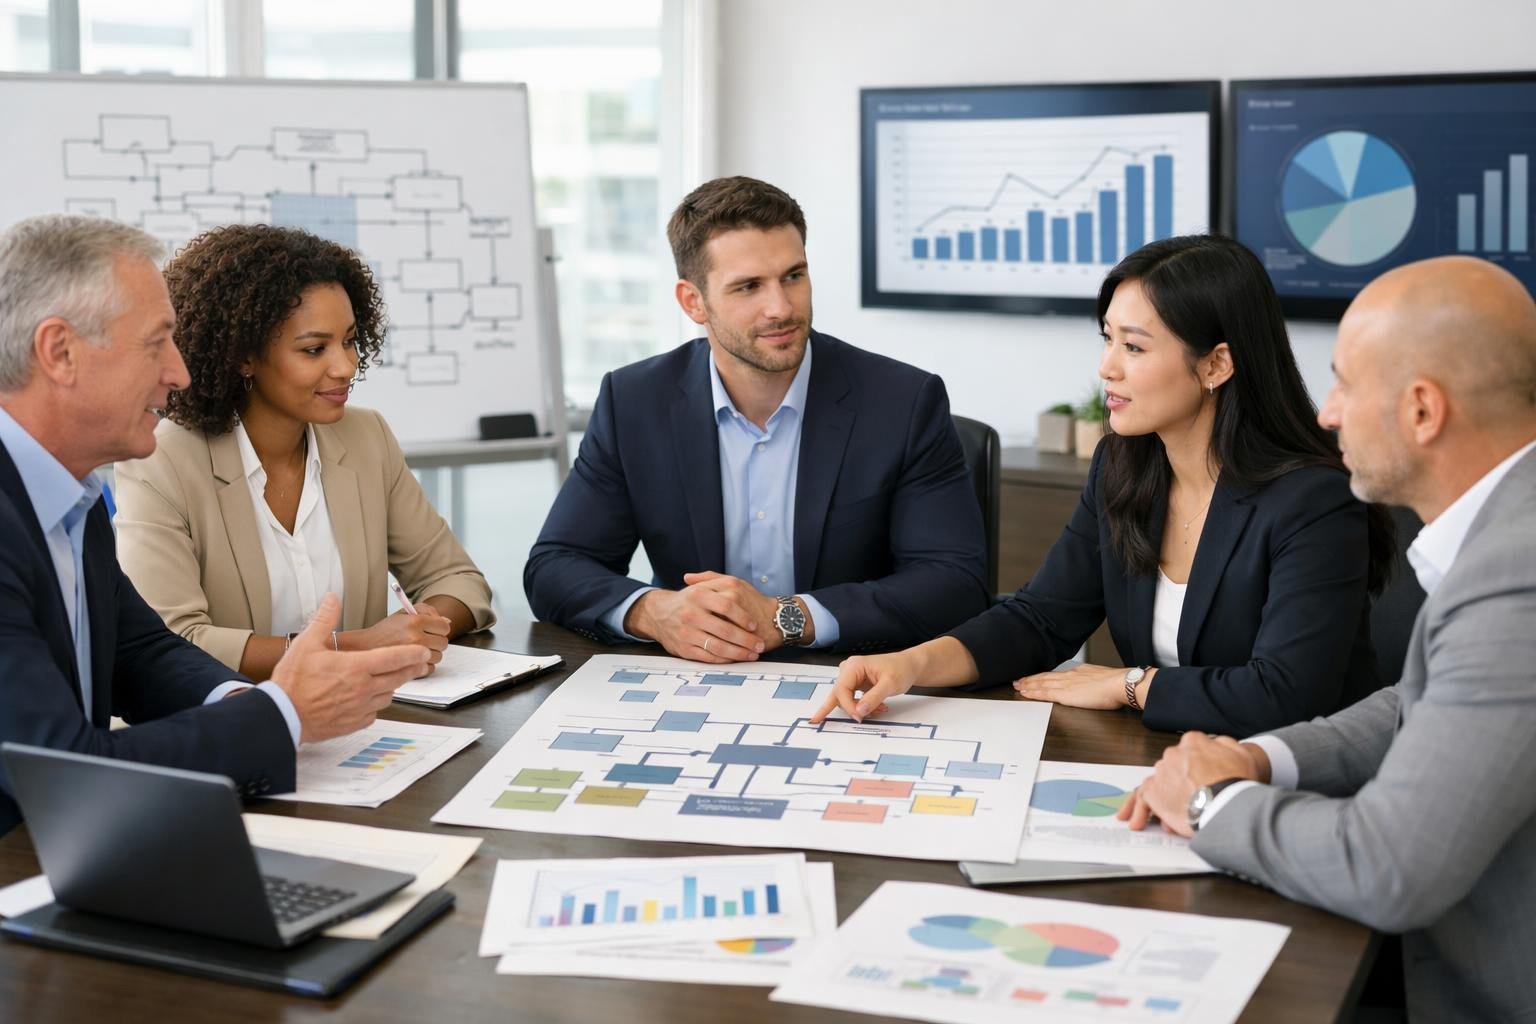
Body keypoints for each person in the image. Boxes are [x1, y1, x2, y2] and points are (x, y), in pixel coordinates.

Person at [1119, 255, 1536, 1022]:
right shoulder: (1508, 531)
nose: (1327, 414)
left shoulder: (1518, 579)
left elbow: (1387, 867)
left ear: (1422, 411)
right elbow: (1415, 703)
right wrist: (1260, 758)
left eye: (1344, 384)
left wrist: (1212, 802)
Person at [813, 234, 1392, 736]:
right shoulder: (1123, 464)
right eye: (1107, 338)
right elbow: (1040, 619)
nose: (1106, 368)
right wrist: (910, 665)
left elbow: (1285, 694)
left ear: (1216, 364)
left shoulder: (1314, 500)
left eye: (1134, 347)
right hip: (1168, 758)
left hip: (1300, 777)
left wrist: (1129, 685)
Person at [0, 214, 430, 837]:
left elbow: (138, 653)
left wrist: (247, 702)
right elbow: (64, 770)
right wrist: (283, 715)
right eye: (156, 343)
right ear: (60, 352)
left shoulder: (72, 493)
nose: (179, 372)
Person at [523, 176, 990, 662]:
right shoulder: (634, 402)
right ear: (693, 302)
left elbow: (955, 583)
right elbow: (555, 567)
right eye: (748, 287)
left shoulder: (903, 402)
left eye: (793, 276)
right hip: (692, 675)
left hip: (854, 676)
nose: (781, 308)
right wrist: (654, 612)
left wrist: (787, 618)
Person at [113, 224, 495, 681]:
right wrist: (355, 647)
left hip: (370, 711)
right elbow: (172, 640)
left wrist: (419, 627)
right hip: (234, 712)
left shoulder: (366, 437)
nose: (346, 366)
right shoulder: (162, 460)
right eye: (314, 349)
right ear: (243, 357)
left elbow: (459, 580)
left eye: (350, 340)